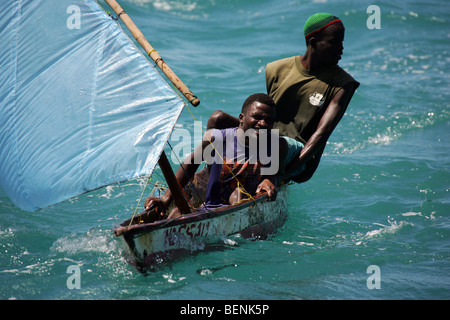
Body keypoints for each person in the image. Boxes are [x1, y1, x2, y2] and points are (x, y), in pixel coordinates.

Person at [207, 13, 359, 183]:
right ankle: (210, 178)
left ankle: (266, 180)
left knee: (276, 144)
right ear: (313, 42)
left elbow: (323, 133)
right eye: (334, 42)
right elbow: (265, 116)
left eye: (342, 42)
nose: (341, 49)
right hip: (268, 139)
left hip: (297, 155)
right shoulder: (277, 69)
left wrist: (286, 174)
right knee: (217, 119)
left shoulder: (343, 84)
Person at [145, 93, 287, 220]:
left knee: (238, 194)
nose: (263, 124)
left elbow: (275, 173)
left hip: (244, 207)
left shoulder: (276, 145)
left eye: (269, 120)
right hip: (212, 207)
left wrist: (270, 180)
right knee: (176, 213)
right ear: (241, 118)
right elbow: (190, 165)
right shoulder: (217, 138)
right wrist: (165, 199)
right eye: (257, 117)